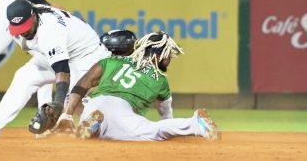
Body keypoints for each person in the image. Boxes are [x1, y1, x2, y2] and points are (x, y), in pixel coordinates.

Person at [0, 0, 111, 138]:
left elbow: (62, 69)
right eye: (19, 28)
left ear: (34, 16)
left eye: (26, 26)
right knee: (24, 75)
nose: (23, 31)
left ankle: (104, 122)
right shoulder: (28, 15)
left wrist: (56, 103)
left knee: (67, 99)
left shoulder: (49, 31)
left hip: (88, 56)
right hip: (70, 52)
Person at [53, 31, 221, 141]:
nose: (169, 59)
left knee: (103, 133)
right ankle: (195, 124)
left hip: (95, 104)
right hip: (123, 109)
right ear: (157, 55)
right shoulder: (160, 80)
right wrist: (172, 131)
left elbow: (83, 83)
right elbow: (166, 117)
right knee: (152, 130)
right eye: (167, 55)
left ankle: (94, 126)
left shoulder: (112, 60)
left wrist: (67, 114)